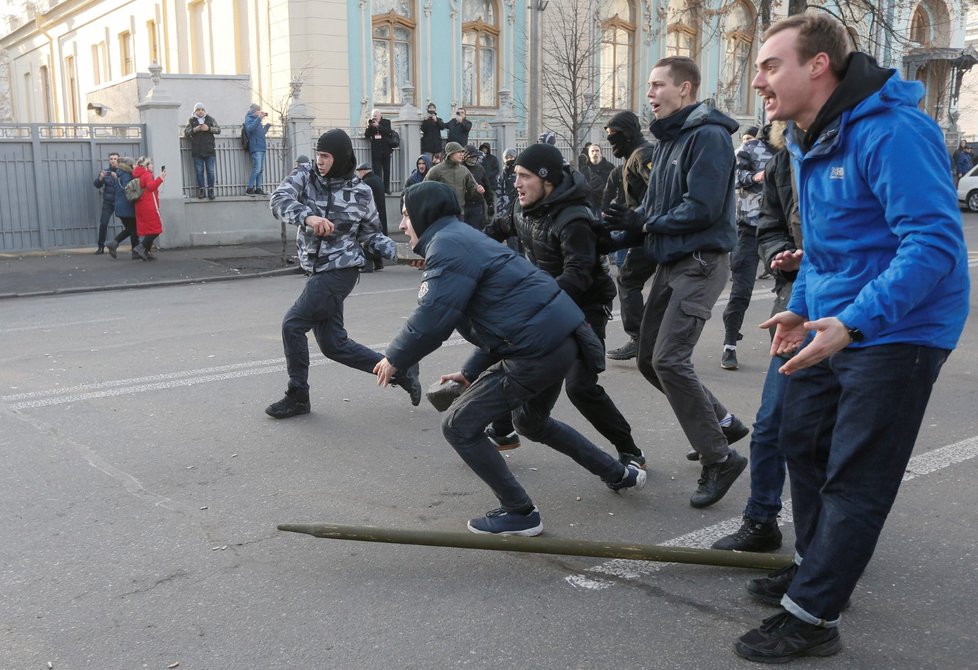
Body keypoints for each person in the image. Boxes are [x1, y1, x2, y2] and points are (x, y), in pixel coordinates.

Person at [734, 14, 969, 663]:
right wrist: (801, 311)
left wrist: (856, 321)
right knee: (799, 441)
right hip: (832, 318)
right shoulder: (811, 138)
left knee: (856, 474)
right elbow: (825, 253)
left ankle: (813, 616)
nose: (758, 81)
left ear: (818, 66)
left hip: (903, 324)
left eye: (770, 65)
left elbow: (934, 245)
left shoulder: (892, 131)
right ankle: (818, 569)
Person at [374, 181, 646, 536]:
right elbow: (500, 313)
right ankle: (620, 473)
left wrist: (395, 356)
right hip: (560, 340)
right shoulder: (461, 238)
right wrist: (471, 371)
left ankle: (520, 512)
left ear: (425, 214)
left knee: (459, 425)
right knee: (532, 423)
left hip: (536, 349)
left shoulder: (447, 246)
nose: (401, 225)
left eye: (407, 215)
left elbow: (434, 314)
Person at [601, 56, 748, 507]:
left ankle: (719, 458)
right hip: (671, 260)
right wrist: (623, 226)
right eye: (648, 85)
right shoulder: (668, 139)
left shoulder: (708, 137)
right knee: (648, 359)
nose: (650, 94)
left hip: (700, 261)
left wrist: (645, 226)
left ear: (685, 89)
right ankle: (720, 423)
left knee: (669, 359)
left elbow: (701, 207)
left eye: (657, 85)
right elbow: (656, 205)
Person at [488, 143, 646, 468]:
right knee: (515, 358)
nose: (516, 183)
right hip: (549, 303)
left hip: (585, 310)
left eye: (524, 176)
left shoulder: (572, 219)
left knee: (580, 387)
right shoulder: (523, 208)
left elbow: (578, 276)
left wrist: (534, 301)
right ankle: (503, 430)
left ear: (547, 181)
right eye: (515, 175)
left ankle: (630, 450)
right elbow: (494, 232)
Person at [265, 129, 421, 419]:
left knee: (292, 324)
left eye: (326, 156)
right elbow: (278, 200)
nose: (320, 161)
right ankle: (401, 369)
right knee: (333, 345)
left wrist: (403, 255)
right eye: (318, 155)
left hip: (341, 269)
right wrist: (307, 217)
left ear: (340, 158)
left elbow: (372, 237)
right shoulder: (305, 176)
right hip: (315, 270)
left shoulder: (360, 192)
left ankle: (298, 395)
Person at [711, 121, 795, 553]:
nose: (762, 85)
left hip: (851, 314)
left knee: (824, 434)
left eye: (773, 70)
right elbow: (771, 220)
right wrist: (779, 253)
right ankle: (762, 518)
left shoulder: (868, 144)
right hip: (792, 293)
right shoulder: (780, 158)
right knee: (771, 425)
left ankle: (824, 555)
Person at [721, 124, 775, 370]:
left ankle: (780, 342)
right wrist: (755, 176)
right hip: (750, 228)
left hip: (781, 231)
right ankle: (729, 344)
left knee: (789, 288)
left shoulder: (796, 148)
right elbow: (732, 176)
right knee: (741, 291)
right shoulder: (750, 148)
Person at [603, 111, 655, 361]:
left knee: (627, 279)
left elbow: (659, 192)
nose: (610, 142)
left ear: (628, 134)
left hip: (651, 231)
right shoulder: (630, 159)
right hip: (643, 229)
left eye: (614, 136)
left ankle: (640, 338)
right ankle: (647, 338)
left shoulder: (642, 155)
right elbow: (627, 198)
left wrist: (639, 219)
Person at [424, 141, 480, 215]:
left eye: (462, 152)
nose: (462, 154)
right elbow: (424, 189)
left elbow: (473, 188)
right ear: (450, 153)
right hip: (441, 214)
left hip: (459, 213)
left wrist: (478, 190)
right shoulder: (435, 170)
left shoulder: (464, 170)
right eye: (458, 152)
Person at [355, 161, 388, 272]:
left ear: (363, 171)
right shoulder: (378, 179)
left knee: (367, 238)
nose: (359, 174)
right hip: (380, 214)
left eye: (359, 172)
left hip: (370, 215)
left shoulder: (366, 182)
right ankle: (379, 263)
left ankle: (367, 265)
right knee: (377, 238)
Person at [184, 102, 221, 200]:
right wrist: (195, 129)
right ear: (195, 111)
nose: (200, 111)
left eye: (202, 109)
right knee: (199, 172)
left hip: (209, 150)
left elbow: (218, 130)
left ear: (205, 111)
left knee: (211, 172)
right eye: (198, 110)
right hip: (197, 151)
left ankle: (211, 190)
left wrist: (208, 128)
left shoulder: (210, 119)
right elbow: (186, 133)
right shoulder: (191, 120)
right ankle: (201, 190)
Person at [131, 156, 165, 261]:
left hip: (140, 205)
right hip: (148, 205)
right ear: (146, 165)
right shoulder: (147, 174)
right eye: (151, 163)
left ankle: (147, 252)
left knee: (149, 230)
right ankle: (140, 248)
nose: (152, 165)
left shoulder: (138, 174)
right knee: (156, 229)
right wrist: (161, 178)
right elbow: (151, 187)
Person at [105, 156, 139, 260]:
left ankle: (115, 244)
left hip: (120, 206)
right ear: (129, 165)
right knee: (133, 229)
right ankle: (133, 251)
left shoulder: (118, 174)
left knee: (131, 229)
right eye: (133, 164)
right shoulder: (127, 175)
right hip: (127, 206)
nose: (134, 166)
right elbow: (128, 189)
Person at [92, 152, 119, 254]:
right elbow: (96, 185)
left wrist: (117, 176)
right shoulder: (105, 172)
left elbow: (126, 184)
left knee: (129, 224)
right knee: (103, 223)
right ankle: (101, 247)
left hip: (120, 202)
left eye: (115, 159)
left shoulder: (122, 171)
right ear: (108, 160)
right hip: (108, 202)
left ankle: (135, 246)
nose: (113, 160)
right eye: (111, 158)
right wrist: (100, 178)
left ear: (118, 160)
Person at [462, 145, 493, 229]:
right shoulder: (459, 168)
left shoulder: (480, 169)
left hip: (476, 205)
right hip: (462, 206)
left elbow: (487, 186)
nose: (474, 159)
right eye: (471, 157)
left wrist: (490, 204)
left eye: (475, 157)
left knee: (476, 231)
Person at [364, 108, 394, 194]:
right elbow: (366, 135)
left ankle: (386, 188)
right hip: (376, 151)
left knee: (387, 170)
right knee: (377, 172)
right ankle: (379, 189)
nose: (374, 118)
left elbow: (389, 132)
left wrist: (378, 126)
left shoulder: (386, 122)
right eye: (373, 116)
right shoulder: (371, 124)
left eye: (376, 116)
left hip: (386, 150)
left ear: (380, 116)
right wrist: (368, 126)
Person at [580, 143, 614, 216]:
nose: (595, 153)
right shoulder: (584, 170)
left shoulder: (610, 167)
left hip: (606, 205)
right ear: (589, 154)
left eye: (597, 151)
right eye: (592, 151)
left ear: (601, 153)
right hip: (590, 205)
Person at [244, 103, 270, 196]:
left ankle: (259, 188)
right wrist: (259, 118)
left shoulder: (257, 120)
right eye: (258, 111)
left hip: (261, 147)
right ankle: (249, 188)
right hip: (255, 147)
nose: (260, 113)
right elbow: (249, 129)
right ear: (254, 111)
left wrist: (267, 126)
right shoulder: (249, 119)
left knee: (261, 169)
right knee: (257, 168)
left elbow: (261, 133)